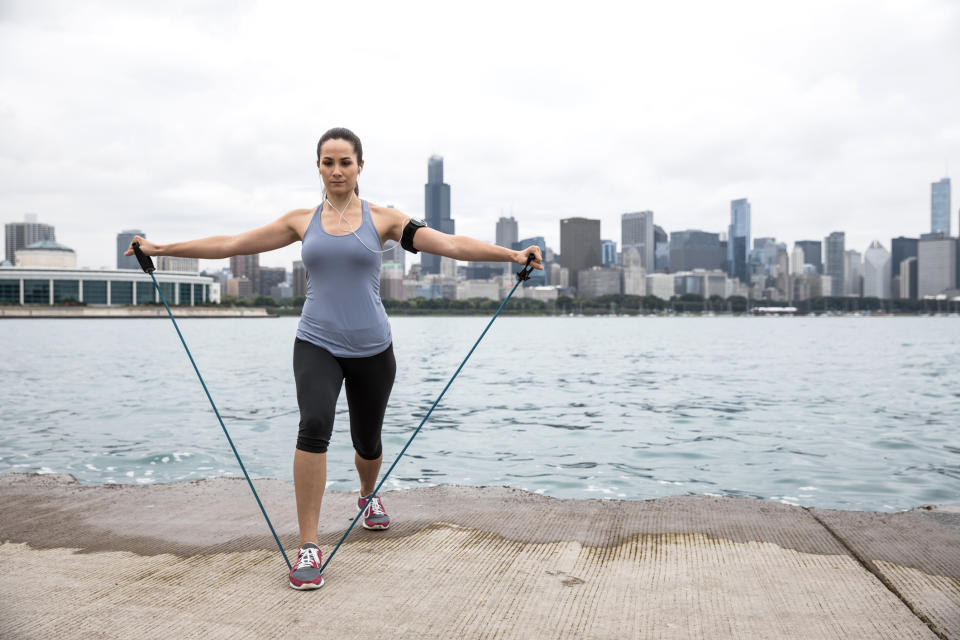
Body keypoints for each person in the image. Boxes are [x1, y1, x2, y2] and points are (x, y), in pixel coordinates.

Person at [125, 127, 543, 590]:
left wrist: (510, 254)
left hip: (373, 348)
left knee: (368, 440)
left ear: (360, 166)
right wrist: (161, 249)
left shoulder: (382, 219)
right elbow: (230, 244)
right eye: (328, 162)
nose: (337, 170)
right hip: (316, 342)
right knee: (314, 424)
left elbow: (448, 244)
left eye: (345, 162)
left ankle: (368, 495)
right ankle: (308, 544)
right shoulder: (301, 221)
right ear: (319, 167)